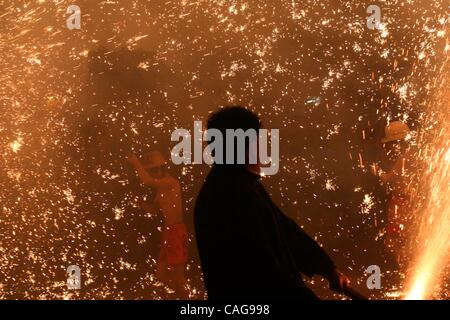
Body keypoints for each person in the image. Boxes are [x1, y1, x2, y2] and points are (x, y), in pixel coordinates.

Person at [194, 106, 350, 300]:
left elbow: (285, 231)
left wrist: (327, 269)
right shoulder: (234, 194)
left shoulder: (237, 184)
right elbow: (265, 271)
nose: (263, 148)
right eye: (257, 141)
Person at [128, 151, 189, 299]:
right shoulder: (161, 189)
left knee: (178, 277)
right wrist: (141, 205)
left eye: (157, 169)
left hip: (176, 230)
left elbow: (148, 182)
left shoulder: (171, 182)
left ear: (164, 168)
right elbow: (154, 210)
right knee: (161, 274)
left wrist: (136, 164)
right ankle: (184, 296)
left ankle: (188, 301)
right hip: (168, 232)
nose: (156, 172)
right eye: (152, 170)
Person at [372, 121, 415, 267]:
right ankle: (406, 266)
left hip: (402, 201)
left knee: (395, 240)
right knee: (401, 238)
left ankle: (405, 267)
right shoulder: (412, 154)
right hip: (404, 199)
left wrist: (377, 171)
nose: (389, 147)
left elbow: (389, 178)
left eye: (391, 143)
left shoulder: (405, 157)